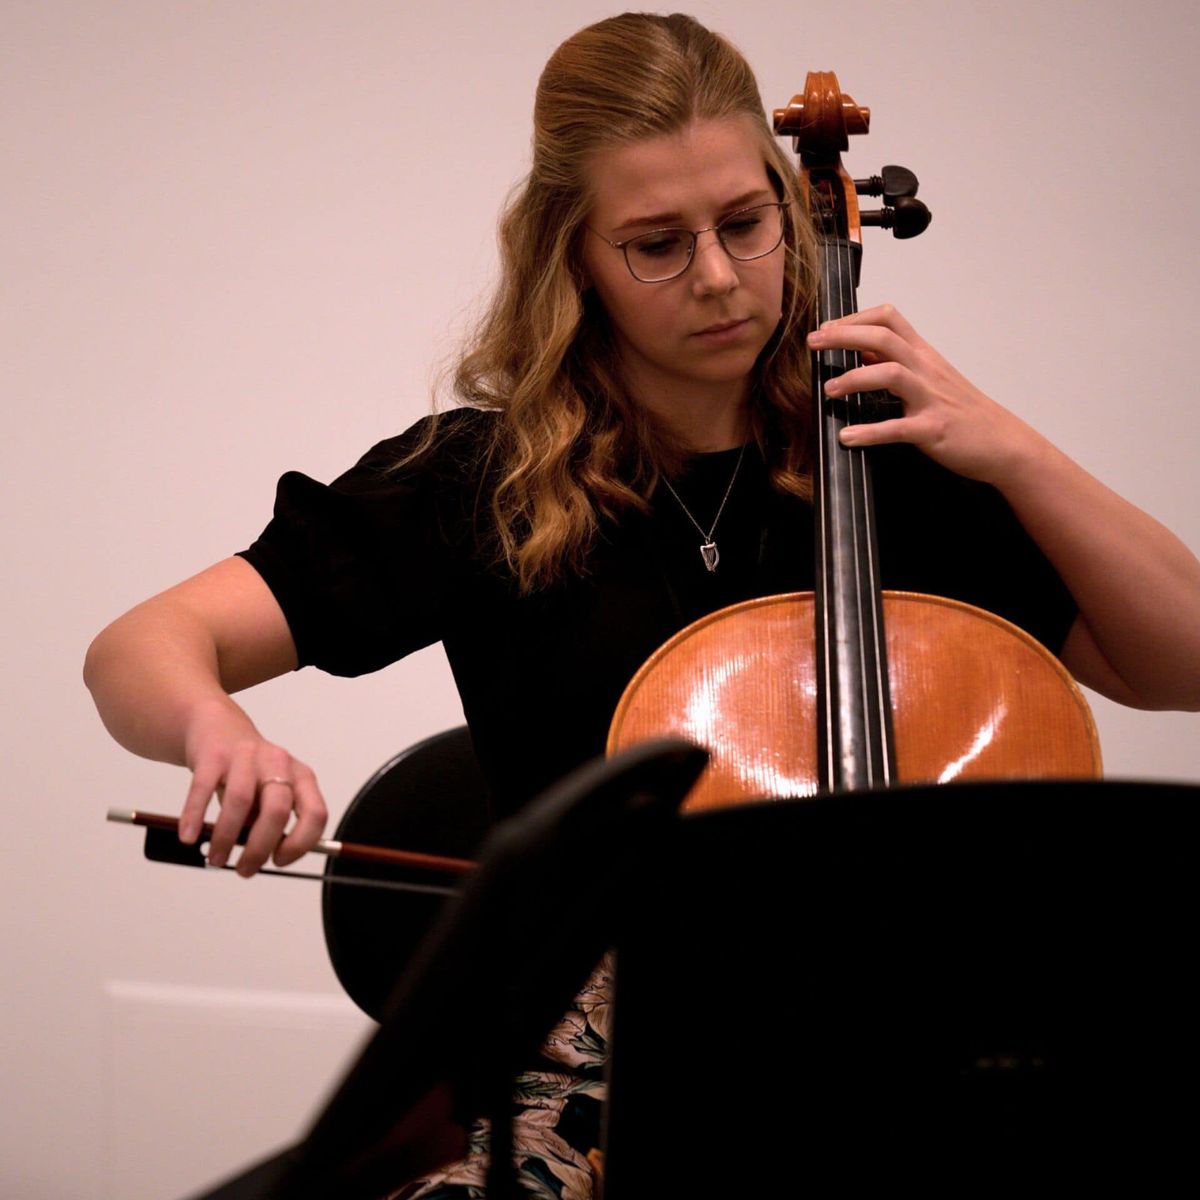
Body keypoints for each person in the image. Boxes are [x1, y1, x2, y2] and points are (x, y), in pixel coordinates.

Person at [84, 11, 1200, 1197]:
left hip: (933, 1065)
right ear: (573, 258)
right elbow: (141, 647)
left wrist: (1014, 448)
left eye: (744, 223)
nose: (718, 277)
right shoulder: (485, 484)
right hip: (618, 1097)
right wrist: (221, 732)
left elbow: (1178, 664)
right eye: (656, 244)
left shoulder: (891, 451)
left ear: (791, 207)